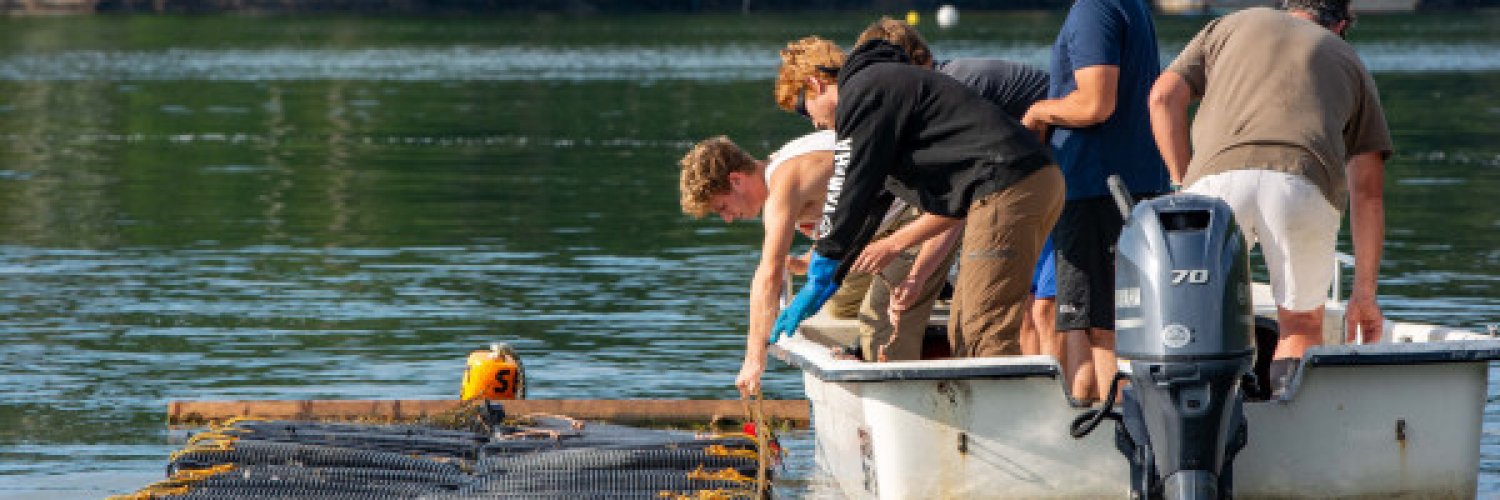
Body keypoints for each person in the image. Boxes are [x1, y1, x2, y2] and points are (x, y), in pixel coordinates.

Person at [1148, 0, 1389, 396]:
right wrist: (1363, 295)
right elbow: (1368, 193)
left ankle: (1203, 426)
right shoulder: (1348, 60)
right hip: (1302, 184)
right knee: (1301, 324)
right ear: (1340, 25)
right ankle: (1287, 419)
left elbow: (1161, 97)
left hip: (1214, 185)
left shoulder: (1229, 25)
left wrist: (1184, 183)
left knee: (1200, 320)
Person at [770, 37, 1064, 360]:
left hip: (1009, 184)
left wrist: (820, 269)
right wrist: (833, 277)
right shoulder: (882, 101)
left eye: (803, 108)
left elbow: (847, 187)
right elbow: (868, 205)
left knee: (983, 329)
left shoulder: (863, 90)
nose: (813, 122)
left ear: (815, 83)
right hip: (1019, 183)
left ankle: (1011, 409)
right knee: (964, 327)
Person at [849, 18, 1061, 360]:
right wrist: (917, 276)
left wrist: (902, 252)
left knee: (1025, 311)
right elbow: (959, 201)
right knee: (1018, 309)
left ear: (910, 65)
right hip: (1024, 184)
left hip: (1055, 176)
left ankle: (1054, 398)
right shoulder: (937, 95)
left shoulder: (952, 94)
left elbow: (961, 205)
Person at [1021, 0, 1170, 404]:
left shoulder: (1094, 9)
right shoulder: (1129, 6)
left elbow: (1094, 103)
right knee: (1094, 323)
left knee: (1095, 326)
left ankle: (1109, 427)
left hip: (1096, 186)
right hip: (1125, 181)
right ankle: (1093, 409)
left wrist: (1037, 113)